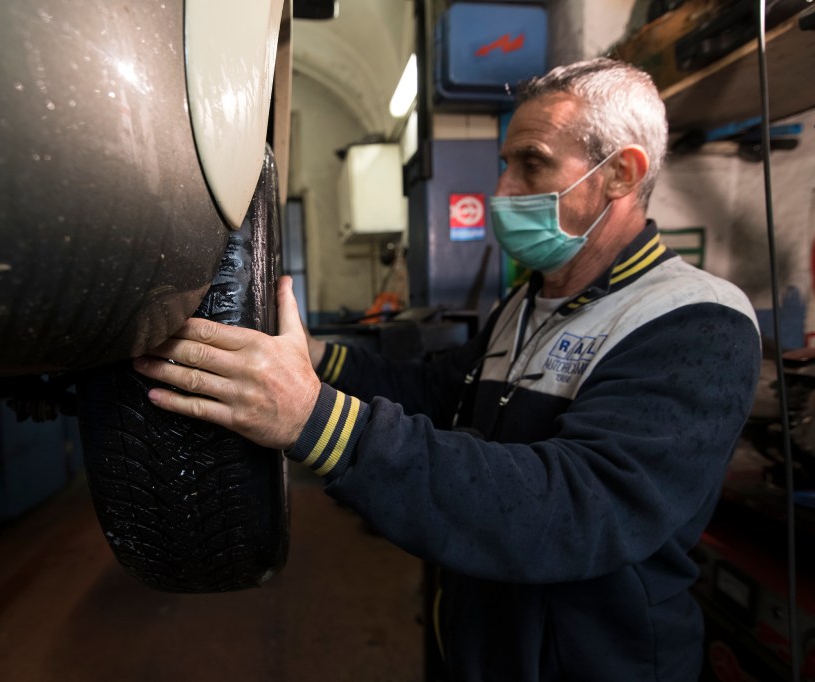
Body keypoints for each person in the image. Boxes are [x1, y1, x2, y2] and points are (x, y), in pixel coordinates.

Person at [133, 57, 761, 681]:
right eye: (505, 164)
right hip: (478, 640)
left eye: (532, 162)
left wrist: (316, 420)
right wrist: (317, 362)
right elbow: (442, 393)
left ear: (621, 173)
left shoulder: (697, 321)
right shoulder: (529, 301)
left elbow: (574, 510)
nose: (502, 190)